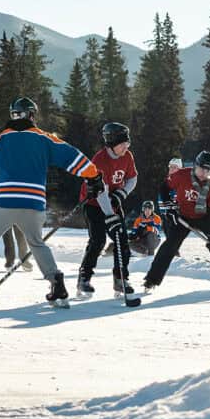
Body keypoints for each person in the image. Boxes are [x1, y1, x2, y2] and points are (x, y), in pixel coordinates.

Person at [0, 97, 102, 308]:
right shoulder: (44, 138)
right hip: (33, 203)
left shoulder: (1, 139)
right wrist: (93, 176)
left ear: (13, 115)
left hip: (3, 202)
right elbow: (72, 156)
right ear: (32, 115)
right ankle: (57, 286)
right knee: (37, 243)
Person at [145, 151, 210, 295]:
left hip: (205, 216)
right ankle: (151, 279)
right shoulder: (181, 175)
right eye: (201, 169)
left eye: (208, 171)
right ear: (195, 166)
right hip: (183, 216)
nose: (204, 173)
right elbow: (164, 187)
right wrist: (169, 207)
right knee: (170, 245)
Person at [76, 122, 137, 298]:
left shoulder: (127, 156)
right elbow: (101, 191)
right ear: (112, 143)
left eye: (127, 143)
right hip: (94, 203)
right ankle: (84, 278)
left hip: (113, 202)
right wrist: (110, 215)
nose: (126, 146)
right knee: (98, 240)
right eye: (123, 143)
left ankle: (120, 279)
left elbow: (133, 178)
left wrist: (122, 194)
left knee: (122, 239)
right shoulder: (100, 160)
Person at [160, 157, 183, 240]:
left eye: (174, 167)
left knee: (174, 234)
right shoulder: (167, 180)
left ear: (179, 169)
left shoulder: (181, 181)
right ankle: (174, 251)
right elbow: (162, 195)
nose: (172, 169)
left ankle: (174, 250)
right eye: (170, 167)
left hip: (175, 212)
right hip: (165, 212)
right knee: (168, 234)